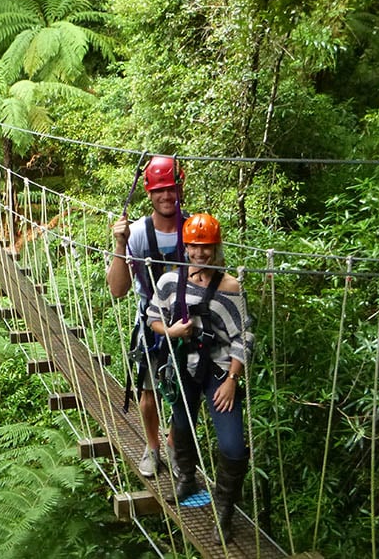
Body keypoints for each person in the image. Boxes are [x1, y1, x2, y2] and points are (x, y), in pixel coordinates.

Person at [146, 212, 253, 543]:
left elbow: (244, 335)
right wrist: (173, 331)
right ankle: (187, 478)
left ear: (216, 248)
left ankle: (224, 511)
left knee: (234, 447)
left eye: (206, 247)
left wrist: (232, 379)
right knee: (181, 424)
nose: (200, 254)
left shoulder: (229, 286)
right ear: (186, 246)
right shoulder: (169, 282)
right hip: (183, 365)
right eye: (194, 247)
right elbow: (153, 318)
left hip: (219, 371)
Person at [106, 155, 183, 478]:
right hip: (150, 326)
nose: (167, 196)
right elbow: (118, 290)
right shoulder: (136, 233)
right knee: (149, 392)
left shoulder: (193, 229)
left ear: (180, 189)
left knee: (184, 395)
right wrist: (119, 245)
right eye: (160, 190)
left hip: (186, 326)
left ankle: (173, 445)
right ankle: (152, 447)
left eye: (172, 188)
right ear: (149, 193)